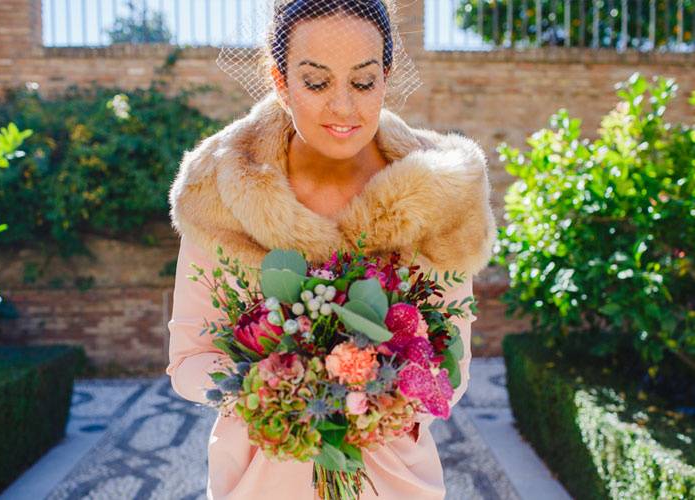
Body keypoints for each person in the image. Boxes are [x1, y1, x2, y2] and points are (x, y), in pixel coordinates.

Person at [166, 1, 497, 498]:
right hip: (258, 480)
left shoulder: (442, 193)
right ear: (279, 80)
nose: (343, 107)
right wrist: (282, 390)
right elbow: (189, 359)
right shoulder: (218, 191)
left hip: (395, 481)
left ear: (385, 77)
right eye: (317, 83)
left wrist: (375, 392)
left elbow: (452, 368)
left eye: (362, 83)